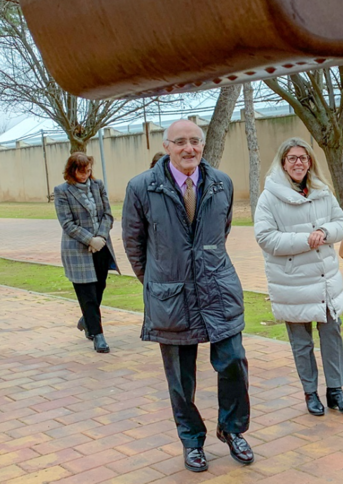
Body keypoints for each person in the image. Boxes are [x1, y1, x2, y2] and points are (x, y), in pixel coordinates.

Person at [122, 119, 253, 473]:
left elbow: (220, 232)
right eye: (180, 142)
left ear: (203, 144)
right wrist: (159, 281)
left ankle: (233, 429)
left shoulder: (221, 183)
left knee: (233, 364)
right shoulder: (141, 188)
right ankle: (192, 441)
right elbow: (135, 246)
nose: (188, 148)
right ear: (167, 146)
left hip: (218, 291)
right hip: (172, 297)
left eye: (195, 141)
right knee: (181, 379)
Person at [254, 137, 343, 416]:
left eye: (303, 158)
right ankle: (310, 393)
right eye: (292, 158)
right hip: (292, 280)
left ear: (310, 162)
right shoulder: (269, 197)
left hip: (324, 279)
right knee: (302, 342)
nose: (298, 163)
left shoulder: (322, 191)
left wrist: (323, 232)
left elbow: (341, 222)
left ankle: (336, 390)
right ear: (283, 163)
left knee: (332, 334)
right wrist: (305, 240)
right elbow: (265, 237)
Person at [54, 152, 119, 353]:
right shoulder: (62, 191)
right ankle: (98, 335)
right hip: (78, 250)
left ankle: (87, 319)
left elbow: (107, 214)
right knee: (87, 293)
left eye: (88, 171)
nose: (85, 175)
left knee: (99, 288)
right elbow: (67, 223)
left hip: (101, 246)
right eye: (81, 172)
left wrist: (99, 238)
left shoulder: (98, 186)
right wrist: (89, 239)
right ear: (72, 170)